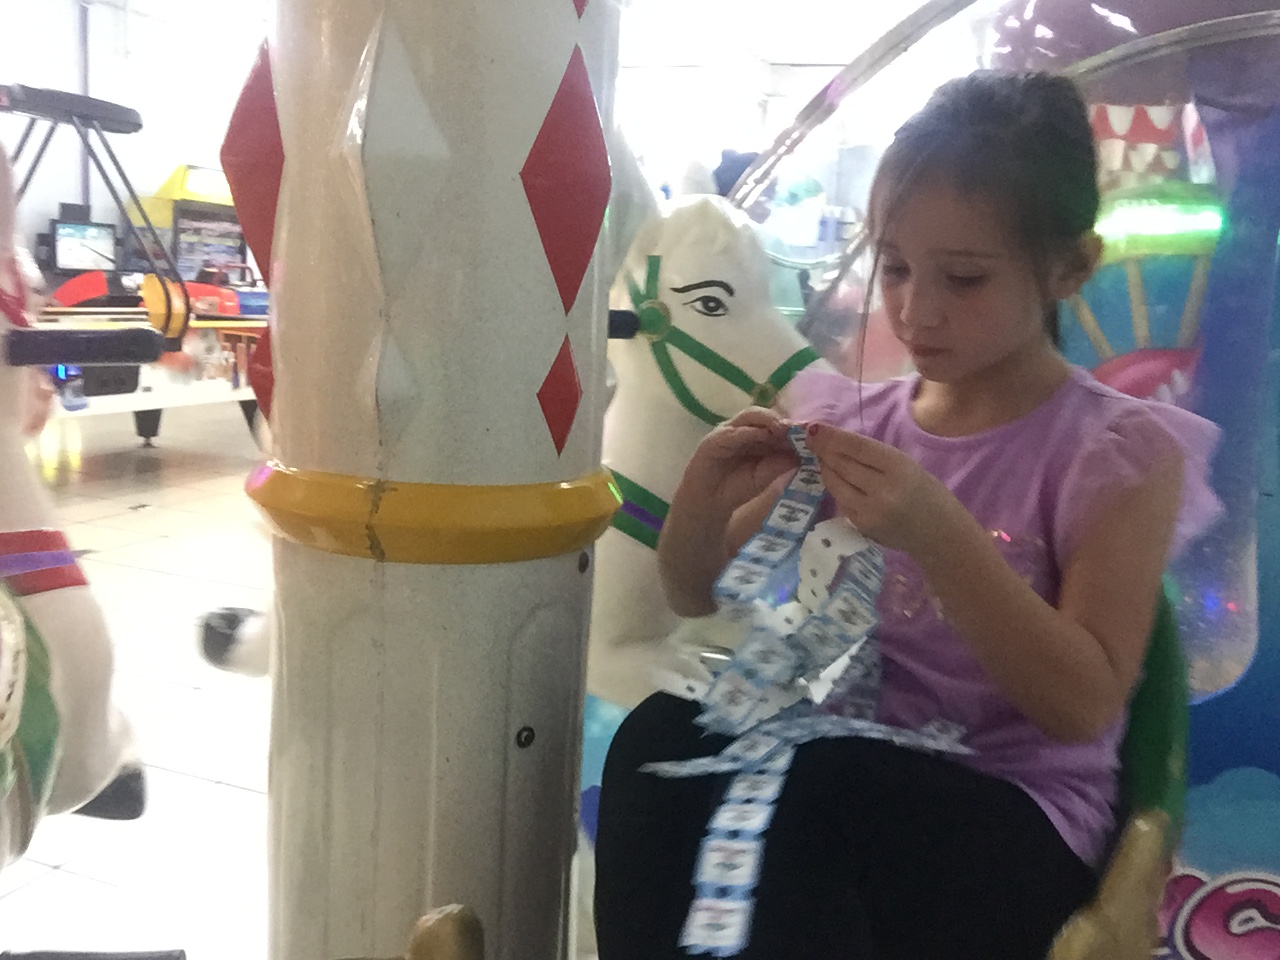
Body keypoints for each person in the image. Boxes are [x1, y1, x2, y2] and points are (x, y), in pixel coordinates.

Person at [593, 70, 1222, 959]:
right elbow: (697, 593)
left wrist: (939, 535)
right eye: (893, 267)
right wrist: (702, 499)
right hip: (845, 777)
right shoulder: (861, 422)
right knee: (658, 738)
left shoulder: (1115, 452)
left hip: (1022, 824)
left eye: (963, 279)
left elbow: (1082, 706)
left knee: (815, 789)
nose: (917, 311)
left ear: (1070, 267)